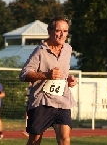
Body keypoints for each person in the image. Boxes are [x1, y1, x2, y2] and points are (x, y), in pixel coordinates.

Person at [19, 16, 77, 145]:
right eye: (58, 30)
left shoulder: (67, 49)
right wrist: (46, 75)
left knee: (65, 139)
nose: (62, 34)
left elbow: (62, 73)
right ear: (49, 31)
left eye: (65, 31)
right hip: (42, 102)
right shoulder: (40, 51)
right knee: (35, 140)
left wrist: (69, 79)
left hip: (62, 101)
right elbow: (24, 74)